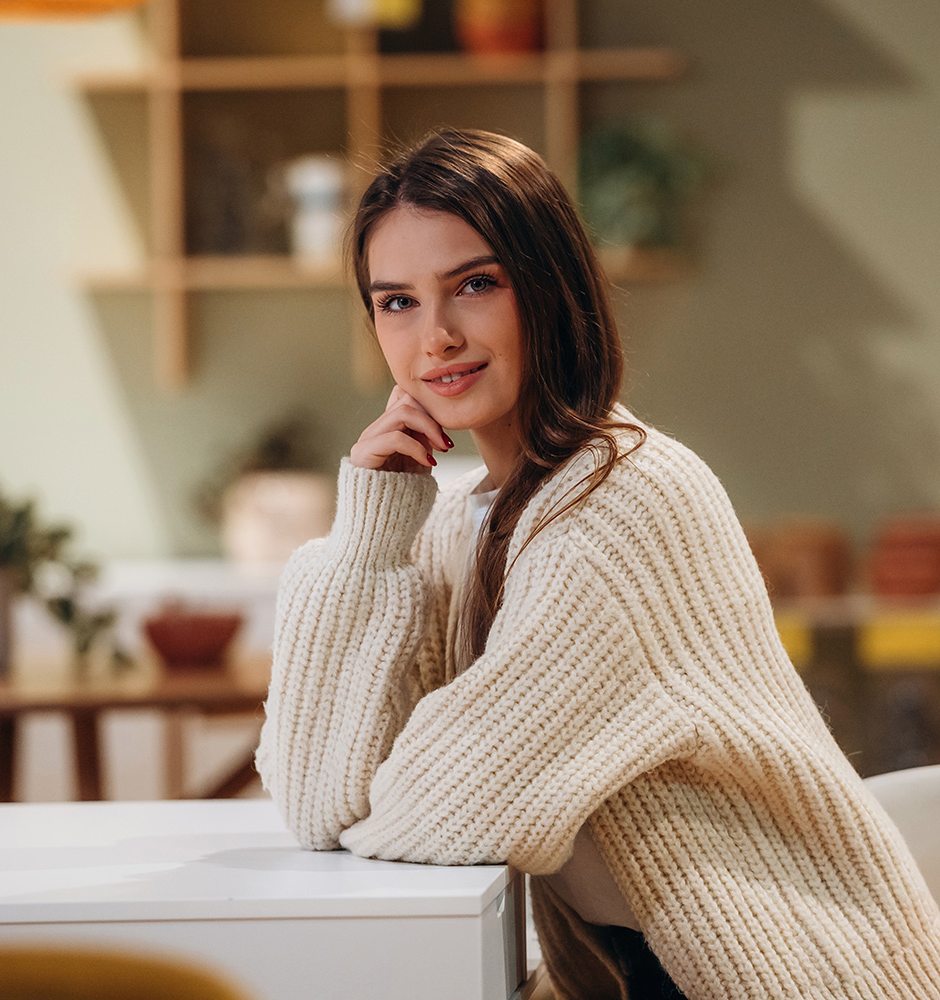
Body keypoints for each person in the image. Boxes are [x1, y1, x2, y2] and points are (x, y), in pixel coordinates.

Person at [255, 128, 940, 999]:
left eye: (475, 284)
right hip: (633, 976)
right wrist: (367, 532)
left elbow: (442, 807)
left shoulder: (624, 506)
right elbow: (317, 802)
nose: (437, 338)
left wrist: (386, 797)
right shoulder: (459, 520)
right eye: (397, 302)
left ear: (549, 288)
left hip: (783, 976)